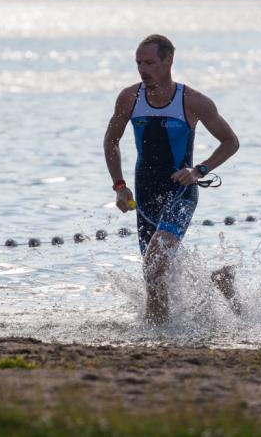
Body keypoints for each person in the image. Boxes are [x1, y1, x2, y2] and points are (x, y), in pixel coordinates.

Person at [103, 34, 240, 325]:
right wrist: (119, 185)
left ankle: (158, 335)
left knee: (154, 266)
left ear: (168, 61)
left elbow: (230, 142)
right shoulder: (129, 98)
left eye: (150, 63)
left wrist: (199, 170)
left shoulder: (192, 101)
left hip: (181, 193)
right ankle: (213, 286)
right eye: (139, 63)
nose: (143, 69)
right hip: (145, 196)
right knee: (155, 276)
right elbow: (111, 140)